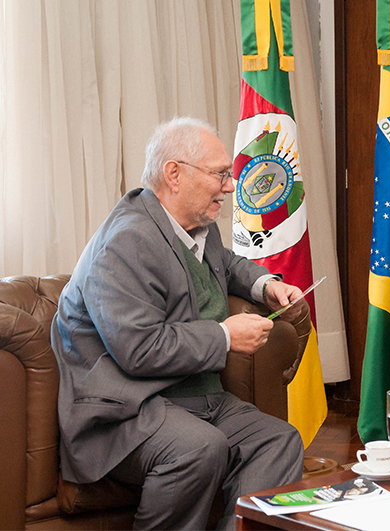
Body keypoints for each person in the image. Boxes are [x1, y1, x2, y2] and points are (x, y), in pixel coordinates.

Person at [52, 117, 305, 529]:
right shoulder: (127, 241)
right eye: (220, 174)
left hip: (194, 399)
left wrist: (264, 285)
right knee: (198, 448)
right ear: (174, 173)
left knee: (277, 441)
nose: (229, 186)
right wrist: (224, 336)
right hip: (127, 409)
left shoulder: (197, 226)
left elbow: (225, 263)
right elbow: (139, 349)